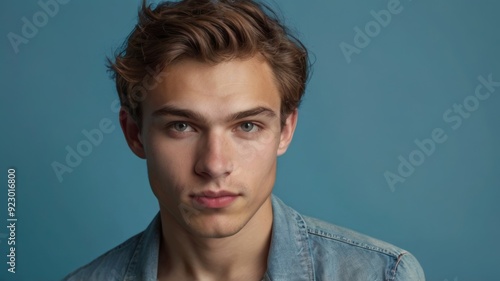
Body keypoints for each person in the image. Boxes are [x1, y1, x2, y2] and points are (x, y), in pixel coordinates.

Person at [63, 0, 425, 280]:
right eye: (181, 126)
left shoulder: (381, 275)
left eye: (247, 126)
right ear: (134, 134)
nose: (215, 164)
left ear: (285, 130)